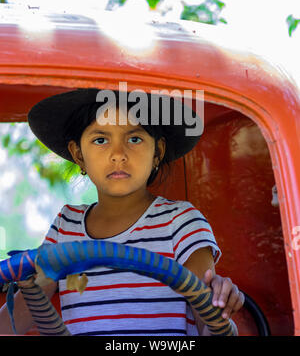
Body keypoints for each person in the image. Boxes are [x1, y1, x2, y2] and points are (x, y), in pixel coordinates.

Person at [0, 88, 244, 336]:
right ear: (78, 155)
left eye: (134, 139)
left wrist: (220, 308)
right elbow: (18, 316)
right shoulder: (66, 225)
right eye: (101, 140)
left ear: (157, 152)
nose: (118, 155)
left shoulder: (180, 222)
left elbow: (211, 327)